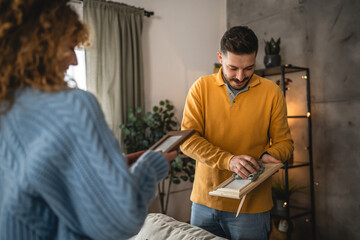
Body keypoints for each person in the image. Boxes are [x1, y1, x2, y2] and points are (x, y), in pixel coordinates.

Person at [0, 0, 177, 239]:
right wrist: (153, 164)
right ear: (40, 45)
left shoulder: (7, 106)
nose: (74, 61)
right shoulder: (70, 106)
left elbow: (35, 183)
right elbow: (118, 219)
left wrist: (106, 169)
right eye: (71, 47)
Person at [180, 26, 294, 239]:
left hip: (252, 207)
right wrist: (228, 160)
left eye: (249, 68)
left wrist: (272, 155)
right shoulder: (200, 88)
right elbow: (188, 141)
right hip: (204, 202)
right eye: (233, 68)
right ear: (220, 58)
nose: (240, 76)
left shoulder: (272, 93)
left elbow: (285, 143)